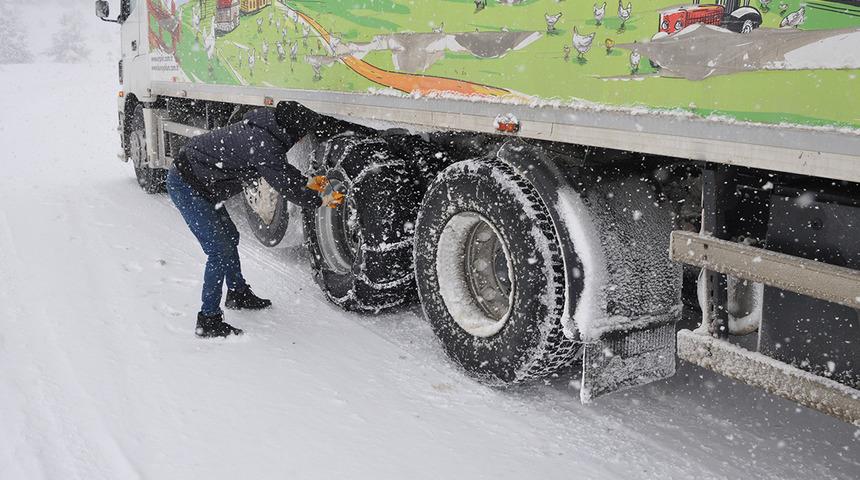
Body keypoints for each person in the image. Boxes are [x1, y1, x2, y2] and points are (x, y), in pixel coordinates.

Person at [167, 101, 344, 338]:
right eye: (302, 135)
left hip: (203, 183)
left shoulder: (265, 130)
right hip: (187, 184)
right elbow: (287, 184)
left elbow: (285, 173)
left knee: (230, 236)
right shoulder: (264, 145)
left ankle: (238, 293)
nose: (301, 140)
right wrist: (323, 199)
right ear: (295, 132)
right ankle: (208, 319)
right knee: (218, 250)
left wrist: (320, 185)